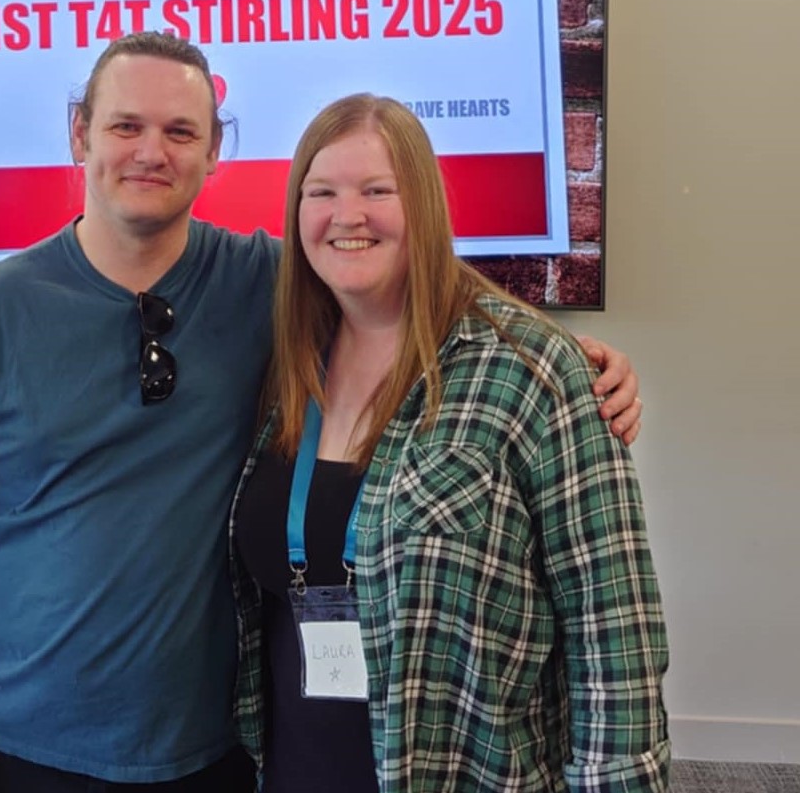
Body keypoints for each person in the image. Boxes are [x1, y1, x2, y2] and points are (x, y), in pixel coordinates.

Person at [0, 34, 643, 793]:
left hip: (212, 753)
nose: (151, 151)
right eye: (125, 125)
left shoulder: (269, 285)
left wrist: (565, 359)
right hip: (8, 745)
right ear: (79, 134)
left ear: (214, 150)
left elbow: (402, 276)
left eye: (180, 131)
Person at [232, 94, 669, 792]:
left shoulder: (529, 368)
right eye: (323, 192)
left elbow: (612, 627)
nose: (348, 215)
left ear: (424, 205)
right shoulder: (280, 361)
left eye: (378, 190)